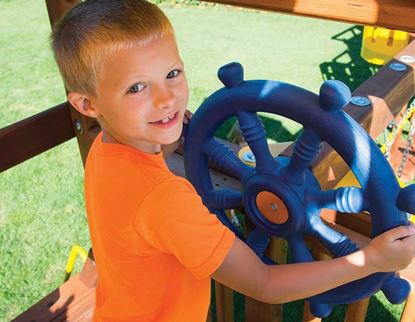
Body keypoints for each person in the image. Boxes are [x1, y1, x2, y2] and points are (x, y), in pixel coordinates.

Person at [51, 1, 415, 321]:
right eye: (136, 87)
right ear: (87, 104)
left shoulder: (104, 149)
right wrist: (372, 261)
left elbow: (147, 165)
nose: (167, 99)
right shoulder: (165, 200)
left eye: (172, 74)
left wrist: (171, 131)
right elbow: (264, 282)